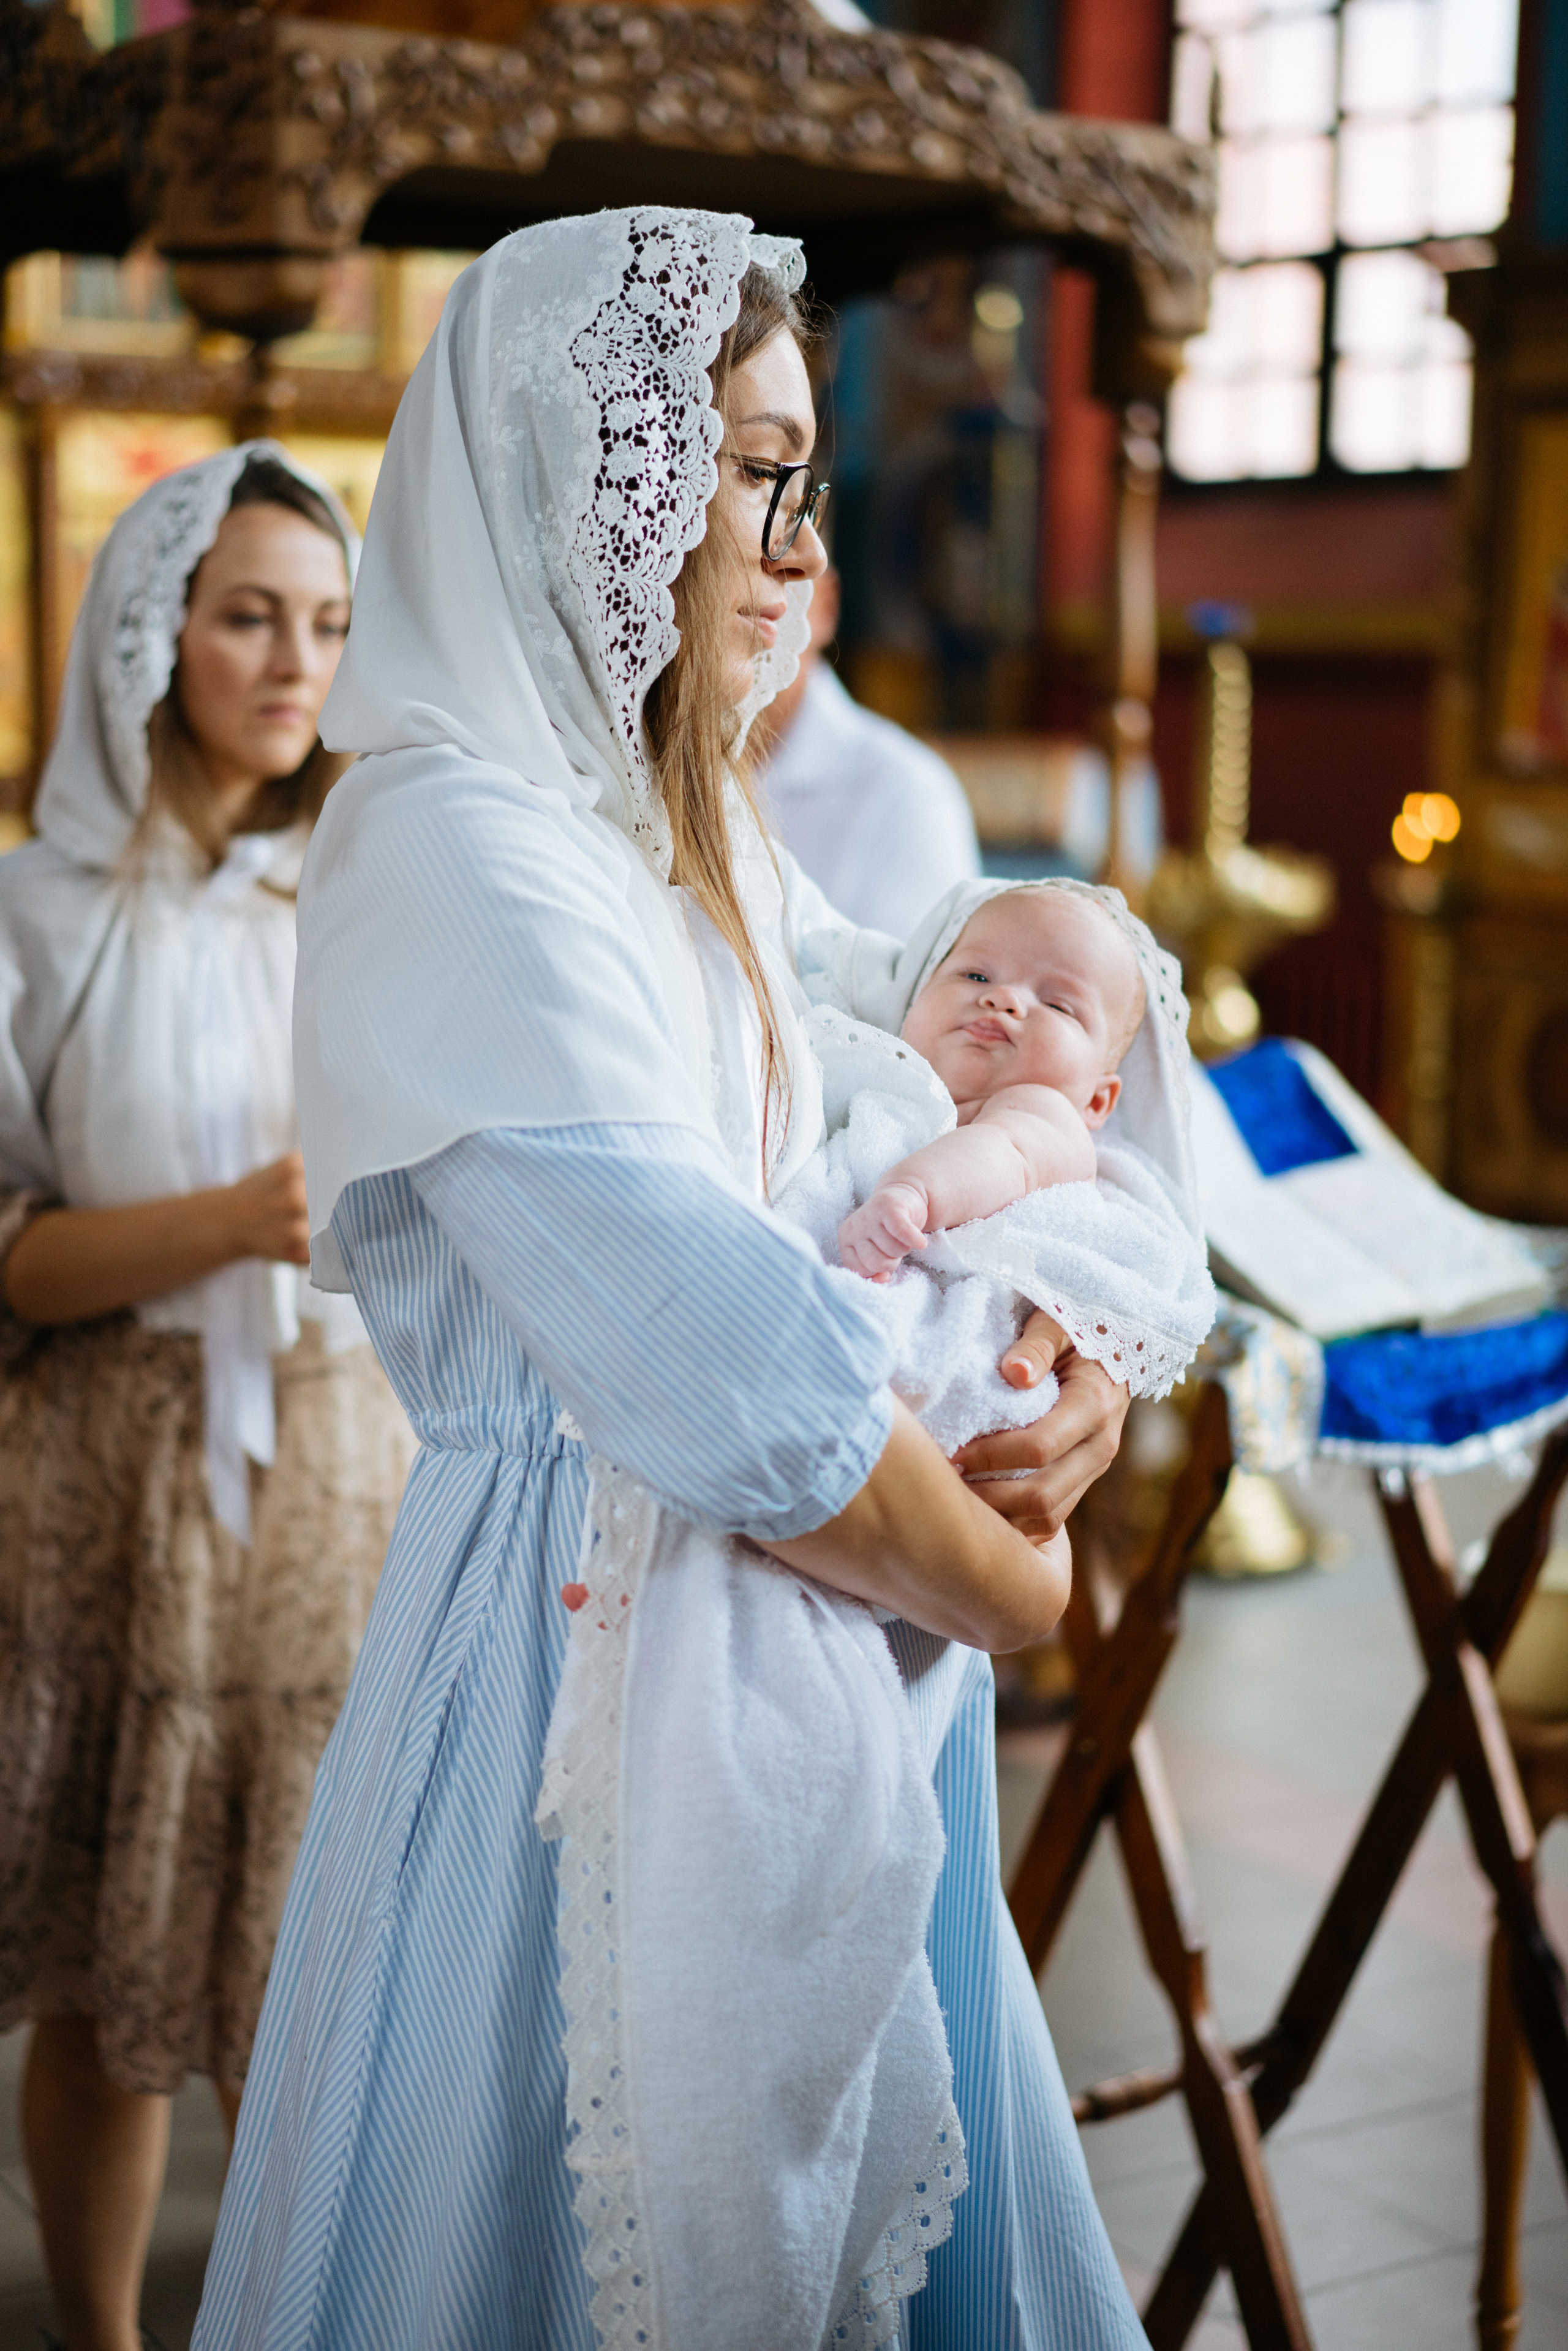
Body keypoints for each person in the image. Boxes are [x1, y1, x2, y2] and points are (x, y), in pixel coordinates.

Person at [194, 211, 1143, 2348]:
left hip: (815, 1652)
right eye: (747, 471)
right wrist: (1019, 1580)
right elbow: (732, 1368)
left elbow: (916, 1087)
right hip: (576, 1674)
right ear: (585, 469)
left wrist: (1067, 1351)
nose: (795, 541)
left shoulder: (670, 811)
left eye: (808, 476)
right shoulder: (451, 837)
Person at [0, 446, 415, 2351]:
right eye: (248, 614)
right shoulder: (40, 911)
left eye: (328, 623)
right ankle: (95, 2334)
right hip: (117, 1476)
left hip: (345, 1473)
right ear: (151, 632)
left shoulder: (378, 881)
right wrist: (235, 1219)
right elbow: (9, 1254)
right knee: (110, 1963)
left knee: (309, 1963)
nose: (292, 661)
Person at [839, 885, 1146, 1278]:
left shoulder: (1047, 1113)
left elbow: (1004, 1154)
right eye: (977, 975)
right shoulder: (866, 1068)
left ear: (1096, 1102)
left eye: (1057, 1005)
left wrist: (913, 1193)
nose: (1003, 998)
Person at [755, 562, 983, 933]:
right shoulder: (644, 772)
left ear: (826, 603)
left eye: (778, 573)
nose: (753, 598)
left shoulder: (908, 795)